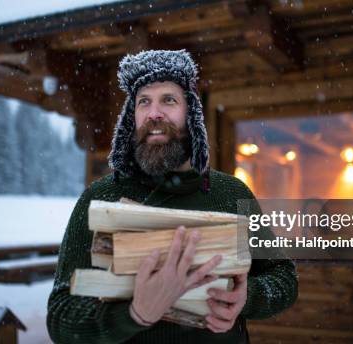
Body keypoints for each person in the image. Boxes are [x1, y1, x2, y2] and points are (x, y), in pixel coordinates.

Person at [47, 50, 298, 343]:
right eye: (144, 101)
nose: (155, 113)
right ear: (133, 117)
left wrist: (247, 297)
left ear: (190, 114)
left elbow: (283, 278)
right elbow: (60, 315)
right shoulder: (101, 198)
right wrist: (134, 314)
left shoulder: (231, 194)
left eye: (169, 99)